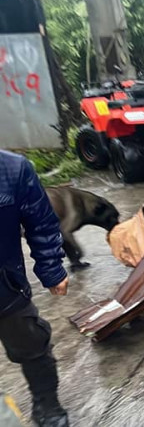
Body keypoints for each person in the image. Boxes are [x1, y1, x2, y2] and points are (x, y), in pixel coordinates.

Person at [0, 150, 70, 427]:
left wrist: (51, 269)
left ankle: (47, 404)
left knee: (31, 343)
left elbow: (40, 221)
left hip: (5, 288)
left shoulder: (13, 169)